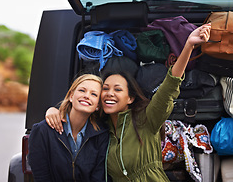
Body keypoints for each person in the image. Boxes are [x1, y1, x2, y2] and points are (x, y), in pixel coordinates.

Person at [46, 23, 211, 181]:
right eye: (105, 88)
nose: (110, 93)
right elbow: (76, 114)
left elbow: (169, 87)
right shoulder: (100, 129)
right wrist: (54, 110)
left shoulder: (147, 119)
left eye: (118, 90)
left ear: (130, 98)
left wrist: (188, 45)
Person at [28, 74, 109, 182]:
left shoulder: (101, 135)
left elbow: (98, 178)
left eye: (94, 94)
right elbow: (41, 177)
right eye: (82, 90)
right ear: (71, 96)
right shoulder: (42, 131)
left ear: (98, 105)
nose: (87, 96)